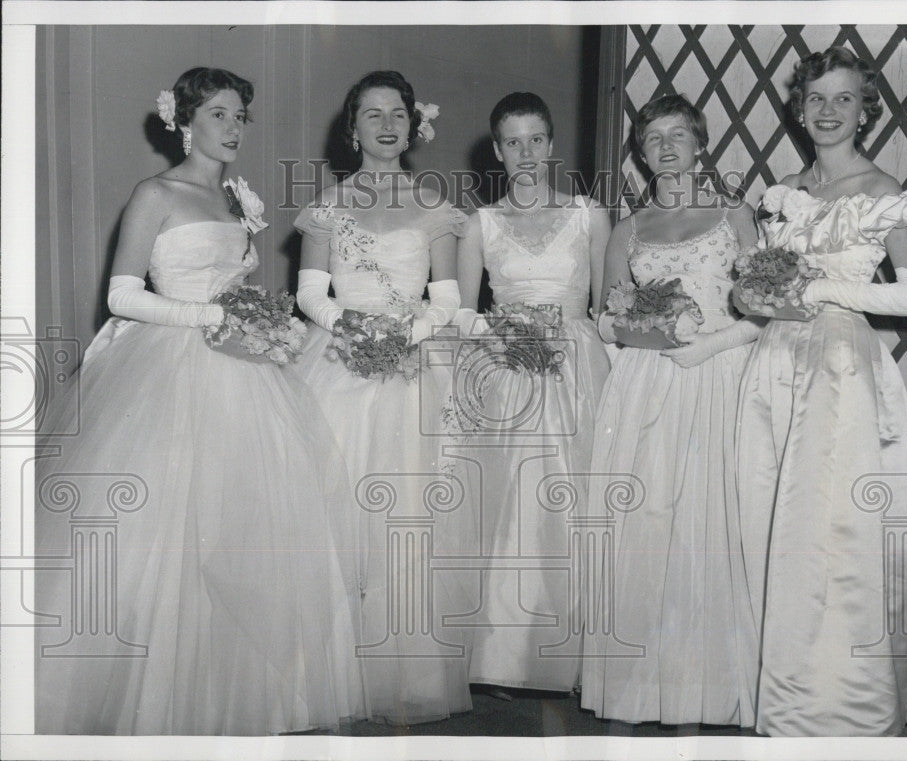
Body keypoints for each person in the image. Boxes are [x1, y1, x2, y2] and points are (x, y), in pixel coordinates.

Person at [34, 67, 361, 735]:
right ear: (183, 121)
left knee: (246, 525)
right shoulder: (155, 192)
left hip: (243, 374)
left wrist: (259, 322)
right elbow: (123, 295)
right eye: (218, 114)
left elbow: (239, 287)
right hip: (166, 367)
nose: (233, 127)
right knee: (164, 533)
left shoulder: (240, 199)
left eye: (240, 115)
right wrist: (209, 317)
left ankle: (242, 700)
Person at [736, 46, 907, 736]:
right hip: (777, 365)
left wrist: (825, 288)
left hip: (842, 371)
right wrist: (756, 293)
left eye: (843, 98)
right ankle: (775, 684)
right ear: (800, 108)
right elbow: (765, 290)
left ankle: (832, 698)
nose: (827, 111)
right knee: (769, 516)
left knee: (829, 529)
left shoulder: (883, 191)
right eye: (816, 98)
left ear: (865, 110)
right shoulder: (784, 192)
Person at [292, 70, 473, 725]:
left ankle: (403, 671)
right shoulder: (326, 207)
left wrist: (404, 336)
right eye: (372, 115)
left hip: (412, 368)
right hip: (339, 362)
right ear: (353, 128)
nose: (387, 125)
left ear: (413, 125)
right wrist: (352, 328)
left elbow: (448, 301)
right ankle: (330, 670)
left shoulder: (435, 206)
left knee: (405, 515)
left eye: (397, 113)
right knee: (334, 510)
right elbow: (311, 293)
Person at [579, 94, 761, 727]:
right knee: (648, 522)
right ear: (640, 151)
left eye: (677, 135)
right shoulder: (628, 231)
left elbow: (764, 307)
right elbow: (604, 320)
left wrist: (709, 344)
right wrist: (652, 333)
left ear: (699, 143)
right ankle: (641, 684)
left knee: (714, 521)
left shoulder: (734, 215)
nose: (665, 147)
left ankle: (713, 685)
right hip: (644, 385)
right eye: (652, 138)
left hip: (721, 376)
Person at [454, 92, 612, 695]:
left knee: (575, 497)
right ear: (497, 151)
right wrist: (504, 340)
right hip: (505, 366)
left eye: (536, 139)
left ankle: (577, 656)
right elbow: (464, 315)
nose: (525, 152)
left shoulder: (588, 216)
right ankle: (501, 655)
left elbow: (606, 308)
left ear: (551, 145)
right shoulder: (480, 224)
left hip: (577, 365)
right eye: (512, 142)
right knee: (507, 501)